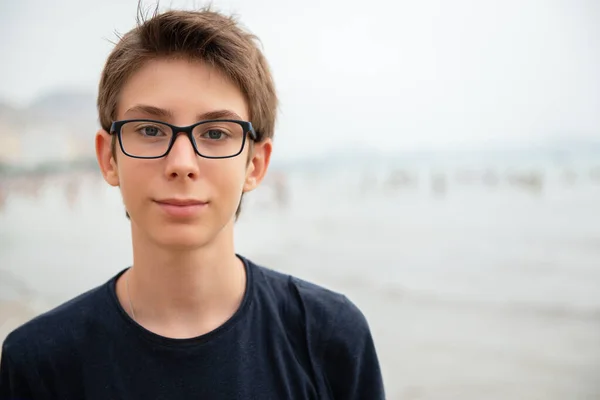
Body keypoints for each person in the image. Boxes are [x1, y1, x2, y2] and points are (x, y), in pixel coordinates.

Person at [0, 5, 385, 399]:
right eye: (150, 129)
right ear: (108, 158)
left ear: (255, 164)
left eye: (216, 133)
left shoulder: (328, 337)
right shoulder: (39, 362)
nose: (181, 164)